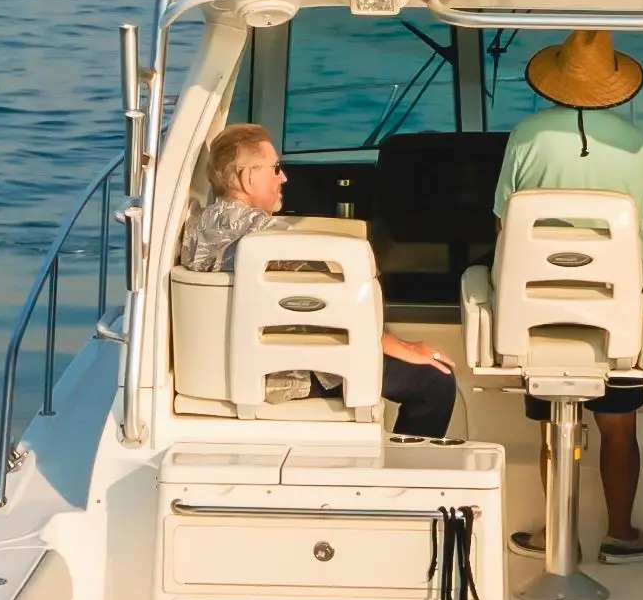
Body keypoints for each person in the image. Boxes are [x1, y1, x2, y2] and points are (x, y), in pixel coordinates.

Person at [494, 29, 643, 559]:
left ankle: (555, 534)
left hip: (536, 314)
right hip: (612, 316)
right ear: (614, 86)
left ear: (554, 81)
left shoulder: (524, 136)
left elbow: (506, 222)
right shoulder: (638, 146)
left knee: (555, 417)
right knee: (618, 426)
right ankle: (620, 533)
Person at [176, 123, 459, 441]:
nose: (283, 177)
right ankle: (406, 477)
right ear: (248, 177)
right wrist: (405, 348)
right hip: (285, 371)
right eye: (276, 168)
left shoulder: (196, 227)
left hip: (223, 366)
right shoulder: (270, 242)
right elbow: (333, 315)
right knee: (435, 382)